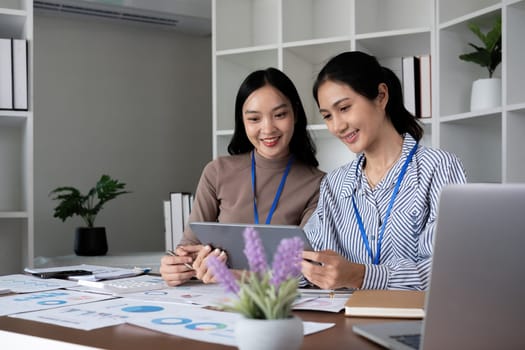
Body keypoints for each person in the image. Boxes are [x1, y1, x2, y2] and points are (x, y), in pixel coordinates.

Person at [301, 51, 466, 291]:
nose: (337, 126)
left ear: (381, 96)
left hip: (417, 323)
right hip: (346, 321)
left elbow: (449, 269)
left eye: (345, 108)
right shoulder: (335, 184)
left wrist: (362, 276)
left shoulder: (439, 168)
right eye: (327, 116)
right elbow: (311, 260)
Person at [161, 68, 325, 286]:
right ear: (243, 121)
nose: (267, 128)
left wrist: (237, 275)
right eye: (254, 118)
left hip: (278, 304)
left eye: (279, 115)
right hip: (214, 300)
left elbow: (306, 268)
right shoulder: (217, 171)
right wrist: (177, 267)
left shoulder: (319, 184)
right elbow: (189, 247)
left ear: (295, 113)